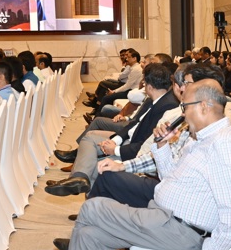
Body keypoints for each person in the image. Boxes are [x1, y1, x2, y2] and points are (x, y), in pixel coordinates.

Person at [25, 79, 231, 250]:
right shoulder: (201, 139)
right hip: (163, 218)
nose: (183, 113)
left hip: (179, 229)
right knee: (89, 236)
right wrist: (162, 146)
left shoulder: (222, 144)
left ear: (205, 106)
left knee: (93, 207)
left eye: (186, 106)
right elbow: (170, 178)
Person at [47, 63, 179, 195]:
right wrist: (115, 141)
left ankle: (79, 184)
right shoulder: (154, 99)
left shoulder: (167, 106)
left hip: (134, 149)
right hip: (129, 139)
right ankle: (77, 178)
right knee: (88, 139)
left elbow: (145, 144)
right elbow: (134, 124)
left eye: (144, 82)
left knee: (95, 165)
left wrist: (115, 149)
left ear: (149, 86)